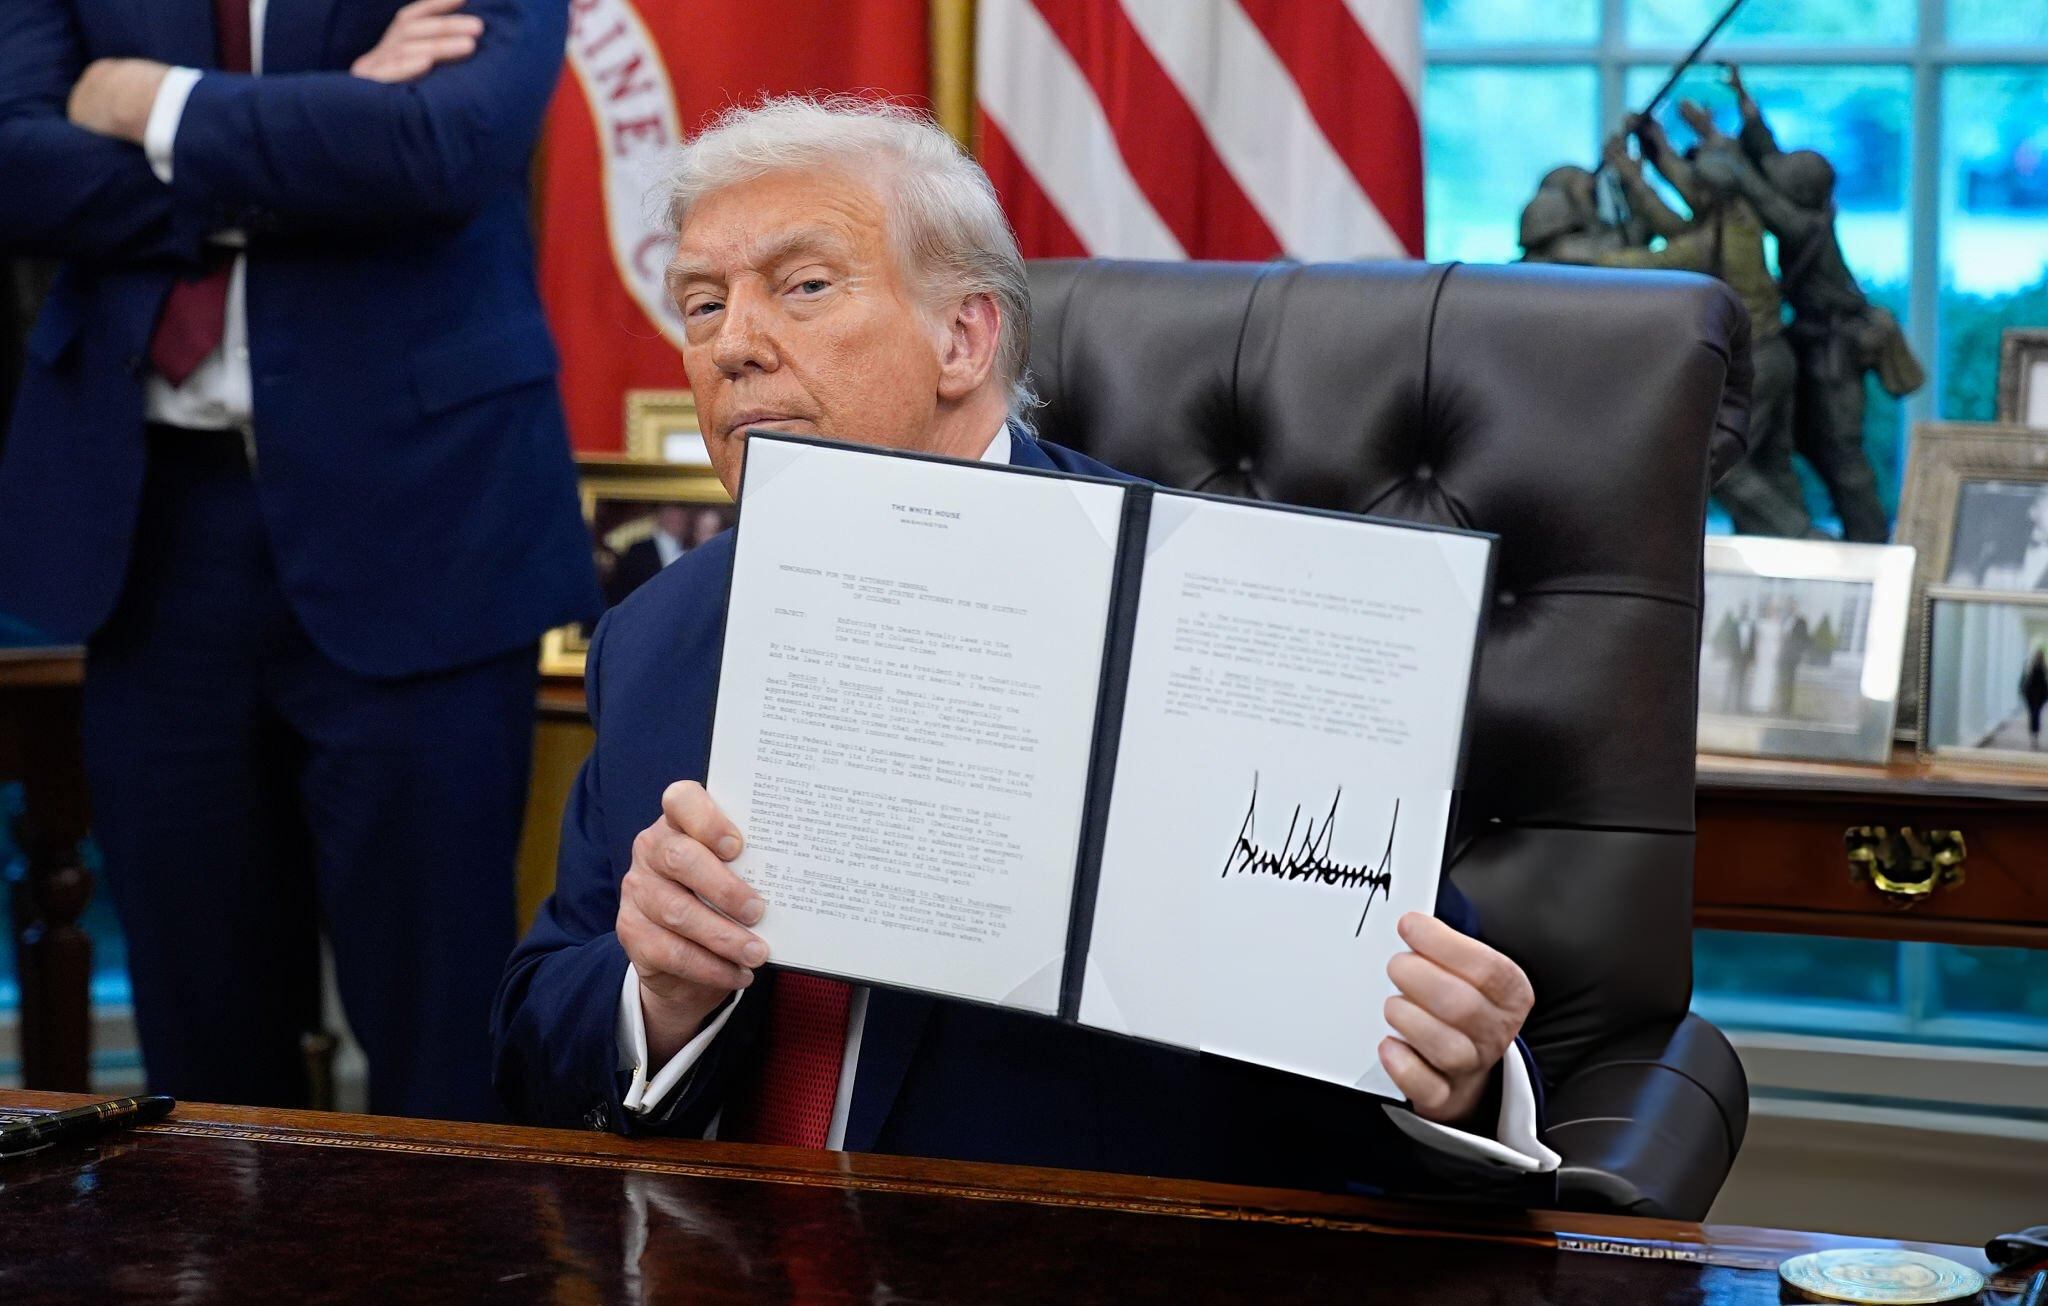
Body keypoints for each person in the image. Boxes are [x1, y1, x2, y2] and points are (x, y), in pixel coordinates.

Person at [493, 97, 1557, 1197]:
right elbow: (530, 1051)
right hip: (709, 1252)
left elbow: (1406, 1035)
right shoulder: (660, 633)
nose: (732, 347)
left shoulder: (1219, 612)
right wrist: (656, 998)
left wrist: (1461, 1087)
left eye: (803, 286)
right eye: (703, 304)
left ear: (962, 338)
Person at [0, 0, 600, 1118]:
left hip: (426, 520)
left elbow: (443, 147)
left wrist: (152, 107)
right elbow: (14, 165)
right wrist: (321, 140)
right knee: (200, 1070)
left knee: (446, 1051)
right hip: (152, 539)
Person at [1715, 67, 1923, 544]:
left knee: (1842, 457)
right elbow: (1769, 161)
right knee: (1800, 446)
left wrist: (1728, 158)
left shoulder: (1805, 226)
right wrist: (1745, 105)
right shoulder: (1810, 211)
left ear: (1802, 194)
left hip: (1836, 350)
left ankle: (1870, 549)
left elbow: (1761, 192)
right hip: (1811, 343)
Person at [1594, 115, 1813, 539]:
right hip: (1776, 354)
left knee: (1720, 463)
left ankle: (1800, 536)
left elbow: (1647, 261)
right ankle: (1795, 551)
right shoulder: (1741, 217)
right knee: (1773, 463)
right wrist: (1654, 153)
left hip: (1754, 364)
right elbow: (1678, 216)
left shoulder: (1705, 243)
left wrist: (1583, 255)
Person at [2023, 648, 2048, 750]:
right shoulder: (2039, 667)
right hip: (2035, 696)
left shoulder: (2038, 667)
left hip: (2035, 696)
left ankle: (2034, 736)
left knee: (2034, 715)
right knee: (2035, 715)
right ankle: (2034, 736)